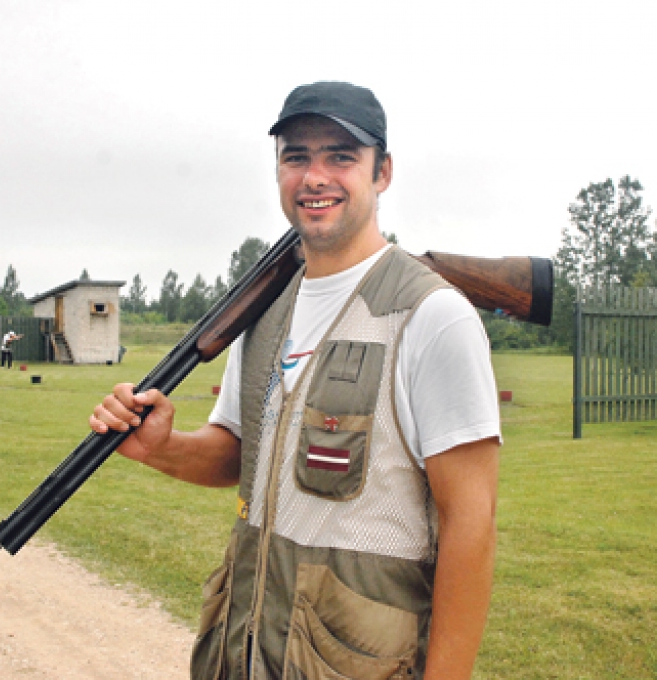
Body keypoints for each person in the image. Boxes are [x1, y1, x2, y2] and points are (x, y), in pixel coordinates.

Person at [90, 82, 501, 680]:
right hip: (245, 652)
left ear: (382, 172)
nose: (314, 176)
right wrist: (164, 448)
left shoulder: (432, 316)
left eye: (340, 155)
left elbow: (473, 521)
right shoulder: (262, 310)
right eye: (296, 156)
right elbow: (236, 452)